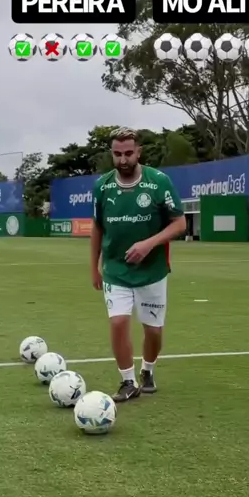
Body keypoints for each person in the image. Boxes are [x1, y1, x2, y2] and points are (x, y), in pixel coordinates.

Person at [90, 126, 186, 402]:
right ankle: (128, 382)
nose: (123, 159)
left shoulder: (159, 182)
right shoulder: (102, 186)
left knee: (153, 330)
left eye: (128, 153)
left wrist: (148, 244)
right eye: (117, 154)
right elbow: (97, 228)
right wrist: (94, 267)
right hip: (115, 270)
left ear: (139, 152)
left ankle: (148, 370)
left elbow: (179, 223)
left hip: (152, 271)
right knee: (118, 322)